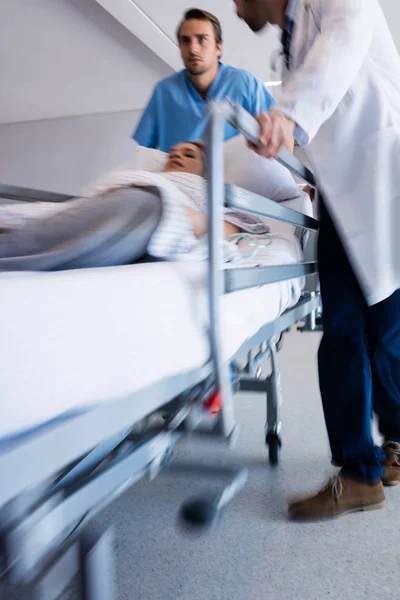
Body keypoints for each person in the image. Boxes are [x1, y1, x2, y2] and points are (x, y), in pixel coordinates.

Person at [234, 0, 400, 521]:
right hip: (347, 192)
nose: (236, 8)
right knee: (371, 332)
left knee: (365, 334)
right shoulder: (290, 41)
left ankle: (361, 473)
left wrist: (288, 115)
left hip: (378, 181)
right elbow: (329, 116)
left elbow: (343, 45)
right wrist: (289, 139)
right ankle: (379, 455)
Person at [0, 142, 271, 271]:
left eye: (188, 154)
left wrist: (188, 217)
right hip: (99, 209)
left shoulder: (205, 191)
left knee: (143, 205)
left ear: (204, 171)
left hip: (149, 210)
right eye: (172, 153)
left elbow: (240, 227)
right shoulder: (151, 176)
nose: (176, 156)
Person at [132, 8, 275, 152]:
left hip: (236, 173)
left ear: (218, 47)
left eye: (202, 39)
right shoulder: (164, 92)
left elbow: (281, 140)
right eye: (185, 41)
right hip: (180, 174)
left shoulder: (246, 85)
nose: (193, 49)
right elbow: (143, 153)